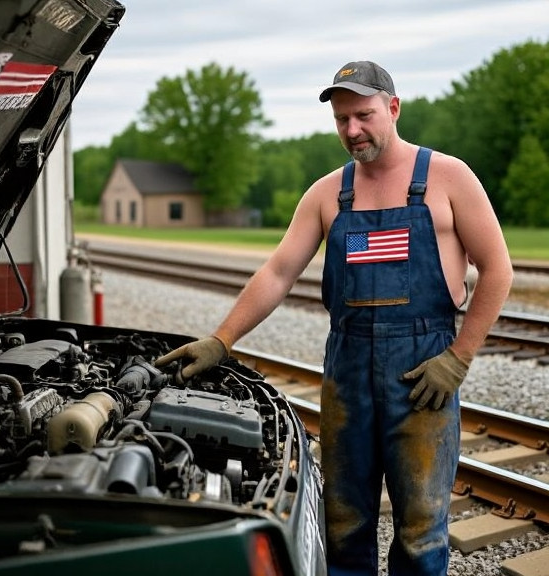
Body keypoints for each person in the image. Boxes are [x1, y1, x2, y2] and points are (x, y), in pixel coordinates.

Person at [154, 61, 514, 576]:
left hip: (423, 373)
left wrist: (458, 358)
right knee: (344, 520)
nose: (352, 131)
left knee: (420, 526)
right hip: (347, 372)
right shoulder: (328, 193)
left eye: (363, 115)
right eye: (342, 119)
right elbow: (278, 272)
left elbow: (498, 269)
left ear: (393, 108)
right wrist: (221, 339)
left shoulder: (448, 178)